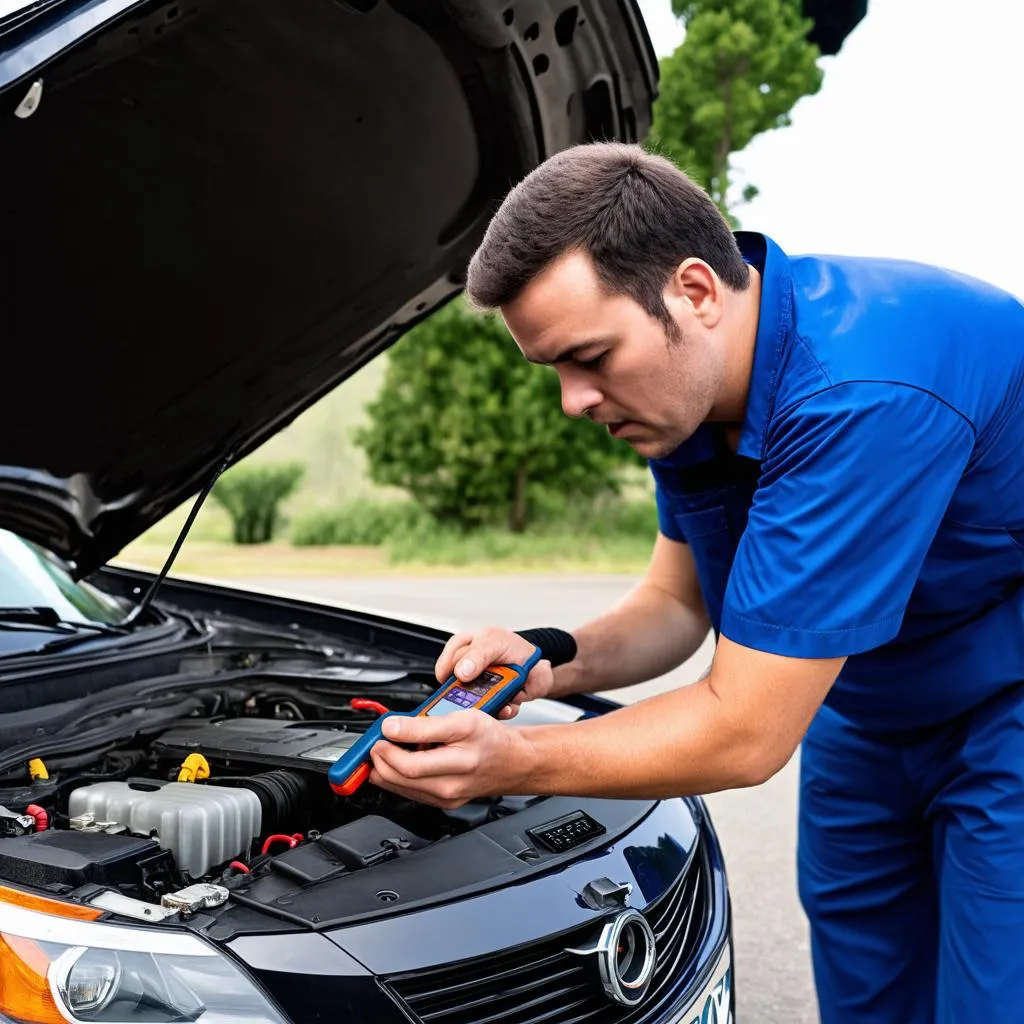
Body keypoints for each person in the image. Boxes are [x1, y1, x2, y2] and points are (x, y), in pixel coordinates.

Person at [365, 142, 1024, 1023]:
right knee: (870, 996)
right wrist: (551, 659)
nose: (573, 400)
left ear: (696, 292)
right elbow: (678, 605)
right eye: (554, 368)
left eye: (590, 357)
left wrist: (515, 764)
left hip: (1005, 713)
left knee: (993, 999)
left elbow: (746, 732)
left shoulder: (862, 394)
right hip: (860, 709)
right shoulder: (688, 390)